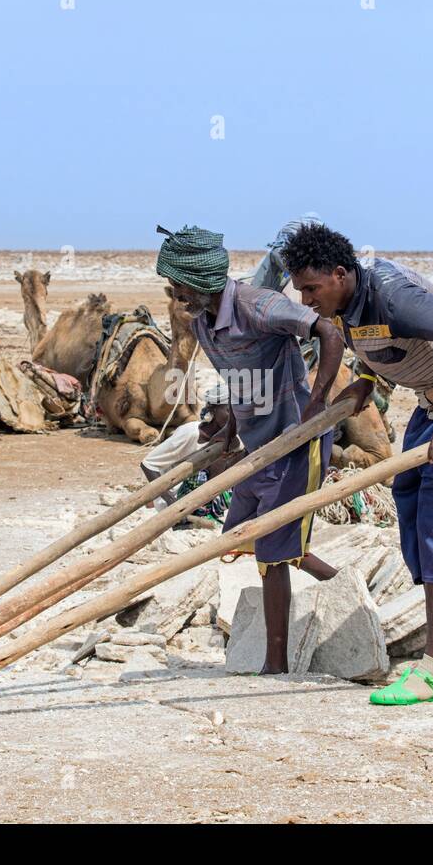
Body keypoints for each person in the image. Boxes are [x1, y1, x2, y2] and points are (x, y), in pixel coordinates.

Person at [283, 223, 433, 706]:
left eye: (311, 288)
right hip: (429, 405)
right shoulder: (345, 306)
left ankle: (430, 671)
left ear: (340, 274)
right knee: (409, 505)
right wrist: (366, 380)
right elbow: (380, 347)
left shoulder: (391, 294)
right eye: (299, 289)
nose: (305, 299)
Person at [155, 224, 345, 674]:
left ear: (200, 278)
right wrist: (230, 431)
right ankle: (344, 587)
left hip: (298, 444)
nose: (175, 293)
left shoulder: (258, 305)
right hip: (258, 446)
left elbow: (329, 334)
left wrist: (315, 406)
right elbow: (238, 382)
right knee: (242, 538)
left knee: (273, 551)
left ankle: (275, 664)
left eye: (179, 283)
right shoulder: (204, 325)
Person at [140, 384, 237, 524]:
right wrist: (170, 502)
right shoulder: (191, 433)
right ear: (213, 410)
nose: (233, 418)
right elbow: (148, 464)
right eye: (229, 411)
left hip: (203, 496)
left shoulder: (230, 437)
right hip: (176, 499)